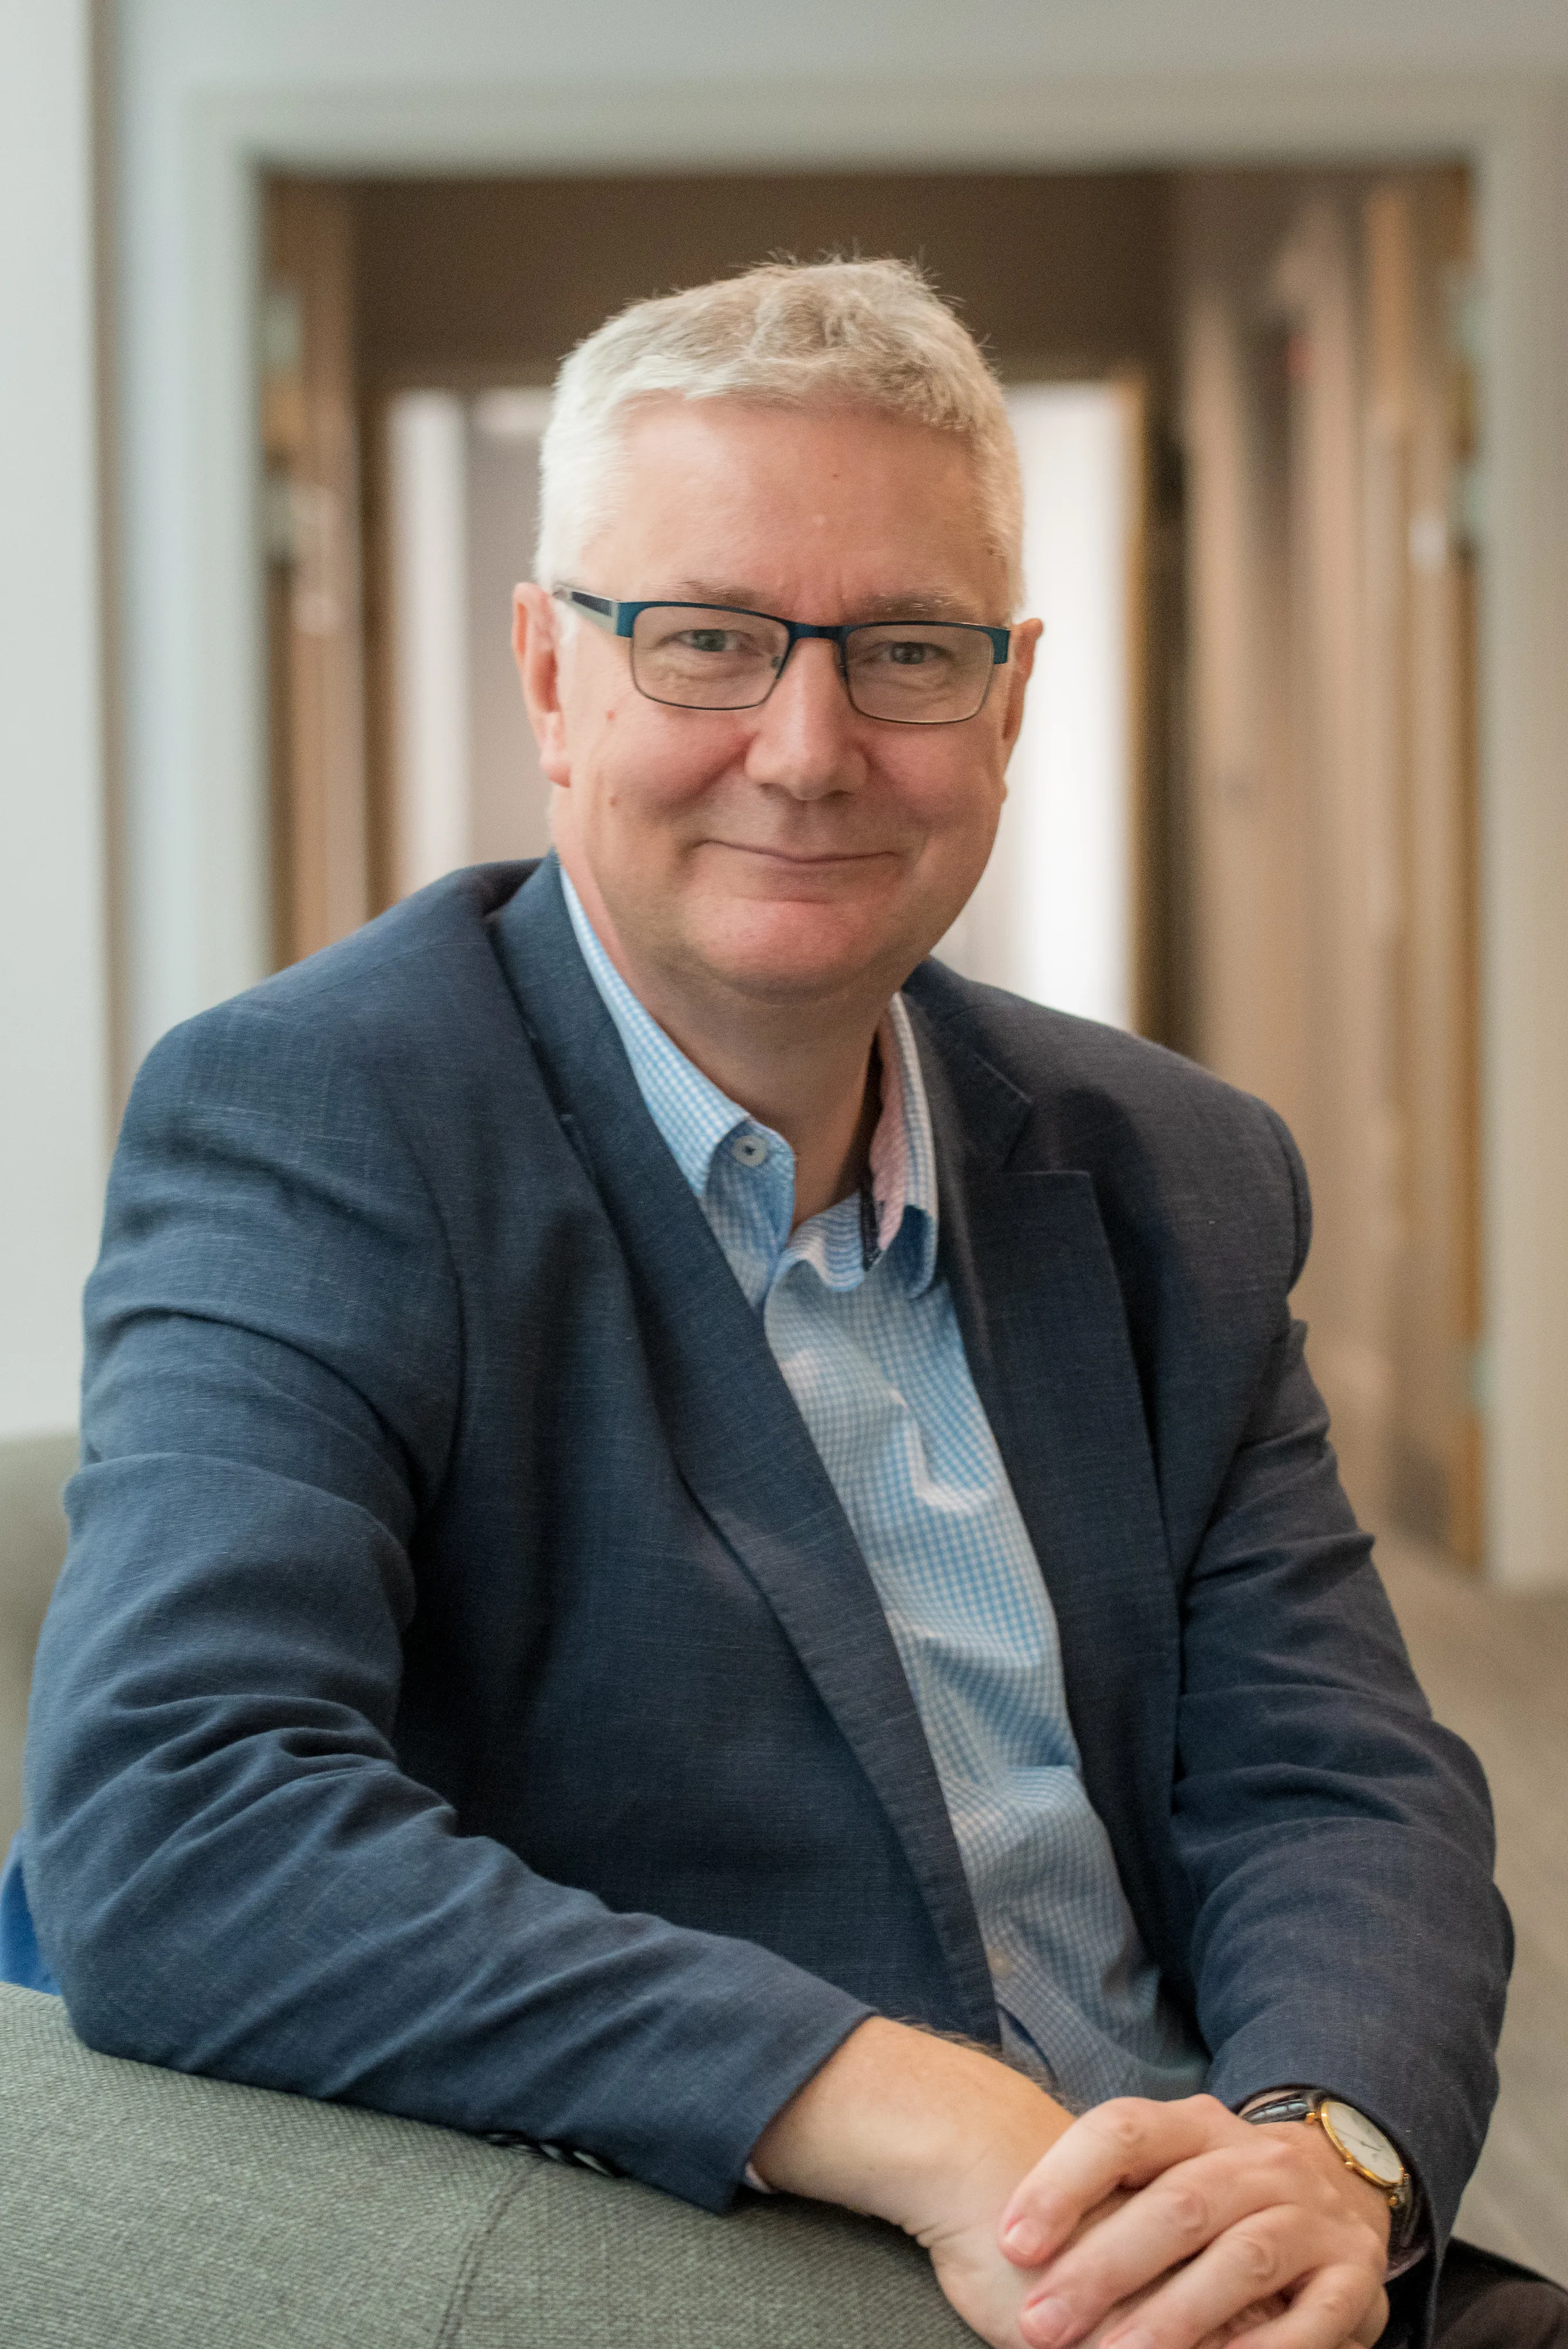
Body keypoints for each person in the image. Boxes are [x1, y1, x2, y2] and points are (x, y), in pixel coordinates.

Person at [2, 259, 1550, 2349]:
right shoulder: (323, 1118)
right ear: (553, 680)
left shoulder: (1167, 1169)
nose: (806, 750)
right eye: (708, 640)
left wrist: (1321, 2149)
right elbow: (177, 1819)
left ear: (1006, 701)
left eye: (905, 652)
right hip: (731, 2263)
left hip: (1219, 2254)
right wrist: (918, 2119)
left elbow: (1332, 1777)